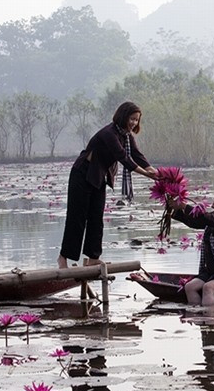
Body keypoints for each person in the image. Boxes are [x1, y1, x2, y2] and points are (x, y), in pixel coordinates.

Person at [57, 101, 158, 269]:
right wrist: (147, 174)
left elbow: (137, 155)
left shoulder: (126, 136)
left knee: (96, 218)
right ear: (123, 116)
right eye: (132, 119)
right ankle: (63, 258)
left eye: (137, 120)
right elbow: (123, 158)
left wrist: (153, 171)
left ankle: (93, 258)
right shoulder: (109, 133)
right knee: (77, 218)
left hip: (98, 177)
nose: (134, 123)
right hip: (82, 174)